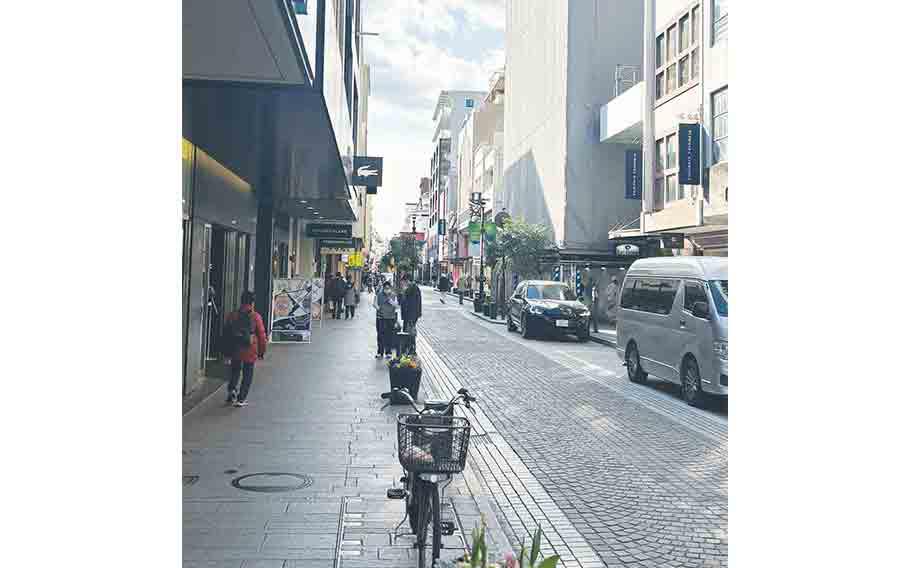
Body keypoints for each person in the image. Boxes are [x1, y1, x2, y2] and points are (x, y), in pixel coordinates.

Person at [223, 290, 267, 407]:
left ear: (241, 301)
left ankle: (232, 391)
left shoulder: (232, 315)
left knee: (235, 371)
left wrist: (226, 352)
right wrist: (261, 352)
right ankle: (241, 399)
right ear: (252, 303)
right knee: (248, 374)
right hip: (250, 349)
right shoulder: (256, 316)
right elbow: (262, 336)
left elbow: (226, 334)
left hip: (235, 348)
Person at [374, 281, 397, 359]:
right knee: (380, 335)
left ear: (390, 288)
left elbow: (397, 305)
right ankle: (380, 352)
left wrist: (391, 301)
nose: (387, 290)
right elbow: (374, 303)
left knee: (389, 335)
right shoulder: (379, 295)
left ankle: (388, 352)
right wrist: (378, 308)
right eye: (385, 288)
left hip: (390, 318)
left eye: (388, 288)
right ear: (383, 288)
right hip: (380, 318)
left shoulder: (393, 295)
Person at [399, 273, 422, 338]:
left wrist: (403, 291)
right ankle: (410, 345)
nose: (402, 283)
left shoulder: (411, 288)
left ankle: (410, 346)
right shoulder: (413, 287)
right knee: (408, 332)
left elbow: (405, 301)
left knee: (408, 333)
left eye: (403, 281)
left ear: (407, 280)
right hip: (411, 315)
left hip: (410, 315)